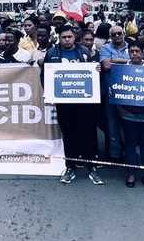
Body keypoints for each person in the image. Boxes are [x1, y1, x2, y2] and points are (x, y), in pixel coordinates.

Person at [42, 24, 103, 185]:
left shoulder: (83, 51)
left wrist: (96, 69)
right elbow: (45, 77)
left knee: (88, 133)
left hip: (84, 102)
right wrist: (50, 93)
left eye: (69, 37)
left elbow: (92, 73)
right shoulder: (52, 53)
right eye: (64, 37)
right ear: (59, 38)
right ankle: (70, 166)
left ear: (74, 37)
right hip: (64, 103)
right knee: (69, 134)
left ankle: (91, 166)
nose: (67, 40)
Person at [117, 43, 144, 189]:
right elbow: (117, 89)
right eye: (132, 51)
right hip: (128, 114)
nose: (134, 53)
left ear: (142, 53)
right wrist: (120, 109)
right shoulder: (122, 70)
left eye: (137, 51)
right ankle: (131, 173)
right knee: (130, 144)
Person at [98, 25, 130, 162]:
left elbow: (137, 63)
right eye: (114, 35)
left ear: (123, 33)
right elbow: (106, 65)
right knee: (112, 124)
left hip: (128, 93)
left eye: (119, 33)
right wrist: (126, 61)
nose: (117, 36)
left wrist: (113, 60)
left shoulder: (131, 46)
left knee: (128, 124)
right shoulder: (105, 48)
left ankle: (129, 153)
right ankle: (115, 154)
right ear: (110, 37)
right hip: (110, 92)